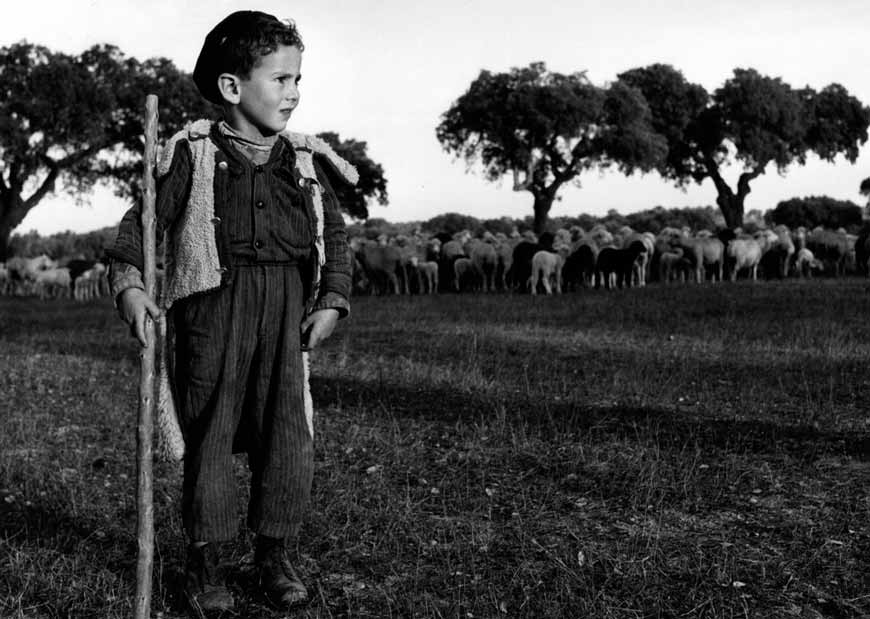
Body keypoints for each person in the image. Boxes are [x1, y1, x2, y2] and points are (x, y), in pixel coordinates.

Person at [105, 10, 355, 613]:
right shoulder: (189, 154)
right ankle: (205, 565)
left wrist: (332, 300)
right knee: (211, 433)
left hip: (287, 311)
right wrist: (131, 286)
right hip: (213, 313)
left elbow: (335, 241)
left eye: (299, 80)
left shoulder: (304, 161)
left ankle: (275, 555)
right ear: (231, 87)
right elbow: (139, 227)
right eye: (280, 79)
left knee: (287, 435)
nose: (294, 93)